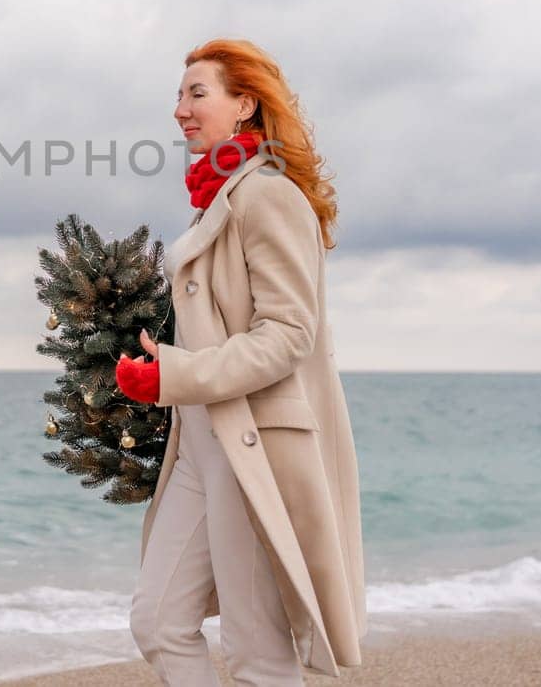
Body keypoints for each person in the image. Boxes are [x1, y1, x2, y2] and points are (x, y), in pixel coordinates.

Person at [114, 38, 367, 683]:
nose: (180, 109)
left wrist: (175, 375)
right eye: (179, 94)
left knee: (259, 653)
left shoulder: (268, 195)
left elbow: (288, 335)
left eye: (198, 93)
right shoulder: (217, 195)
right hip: (201, 445)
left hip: (248, 444)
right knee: (159, 621)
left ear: (245, 104)